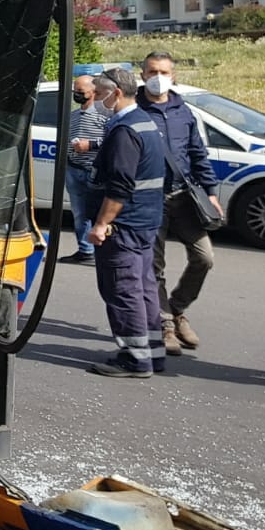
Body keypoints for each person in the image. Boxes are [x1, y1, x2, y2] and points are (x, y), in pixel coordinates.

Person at [85, 66, 169, 379]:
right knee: (144, 288)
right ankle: (152, 353)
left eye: (100, 93)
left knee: (123, 290)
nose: (95, 99)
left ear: (117, 93)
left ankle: (135, 359)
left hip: (124, 226)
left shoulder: (125, 131)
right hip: (145, 222)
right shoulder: (145, 122)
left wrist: (101, 224)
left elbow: (120, 185)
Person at [135, 51, 218, 355]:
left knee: (204, 258)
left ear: (174, 76)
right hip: (148, 199)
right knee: (154, 267)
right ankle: (166, 324)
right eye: (153, 71)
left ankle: (178, 307)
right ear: (142, 74)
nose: (159, 77)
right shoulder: (135, 110)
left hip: (183, 197)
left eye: (164, 72)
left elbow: (198, 154)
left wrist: (210, 192)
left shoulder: (183, 111)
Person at [58, 74, 110, 265]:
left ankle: (103, 252)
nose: (76, 95)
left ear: (94, 92)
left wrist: (91, 145)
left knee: (99, 213)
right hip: (74, 170)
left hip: (94, 172)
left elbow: (114, 140)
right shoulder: (73, 116)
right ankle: (85, 250)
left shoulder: (105, 115)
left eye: (80, 92)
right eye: (75, 92)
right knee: (79, 213)